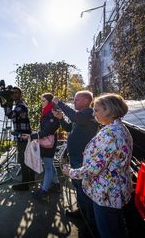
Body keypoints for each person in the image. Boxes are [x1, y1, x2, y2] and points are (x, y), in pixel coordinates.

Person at [62, 93, 133, 238]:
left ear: (108, 110)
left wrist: (71, 172)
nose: (93, 114)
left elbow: (92, 169)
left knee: (108, 232)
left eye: (96, 110)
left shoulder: (110, 134)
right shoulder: (121, 128)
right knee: (118, 227)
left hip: (106, 193)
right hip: (116, 189)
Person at [52, 91, 98, 224]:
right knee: (77, 186)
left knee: (83, 189)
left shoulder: (88, 113)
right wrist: (60, 118)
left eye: (76, 100)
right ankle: (81, 212)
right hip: (74, 157)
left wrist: (59, 102)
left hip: (81, 158)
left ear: (85, 101)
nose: (74, 101)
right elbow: (68, 128)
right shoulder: (80, 117)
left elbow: (75, 117)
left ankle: (90, 220)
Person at [22, 93, 60, 199]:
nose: (41, 103)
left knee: (48, 167)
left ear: (50, 102)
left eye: (43, 100)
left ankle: (43, 192)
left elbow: (48, 130)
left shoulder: (53, 113)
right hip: (46, 141)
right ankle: (56, 185)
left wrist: (31, 136)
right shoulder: (47, 111)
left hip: (49, 143)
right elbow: (45, 129)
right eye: (41, 100)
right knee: (50, 165)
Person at [4, 86, 35, 191]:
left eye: (16, 93)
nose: (14, 95)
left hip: (23, 138)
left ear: (20, 94)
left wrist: (8, 102)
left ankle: (25, 184)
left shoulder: (20, 106)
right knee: (26, 159)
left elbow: (10, 114)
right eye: (12, 93)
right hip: (23, 137)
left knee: (24, 161)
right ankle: (31, 179)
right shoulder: (18, 105)